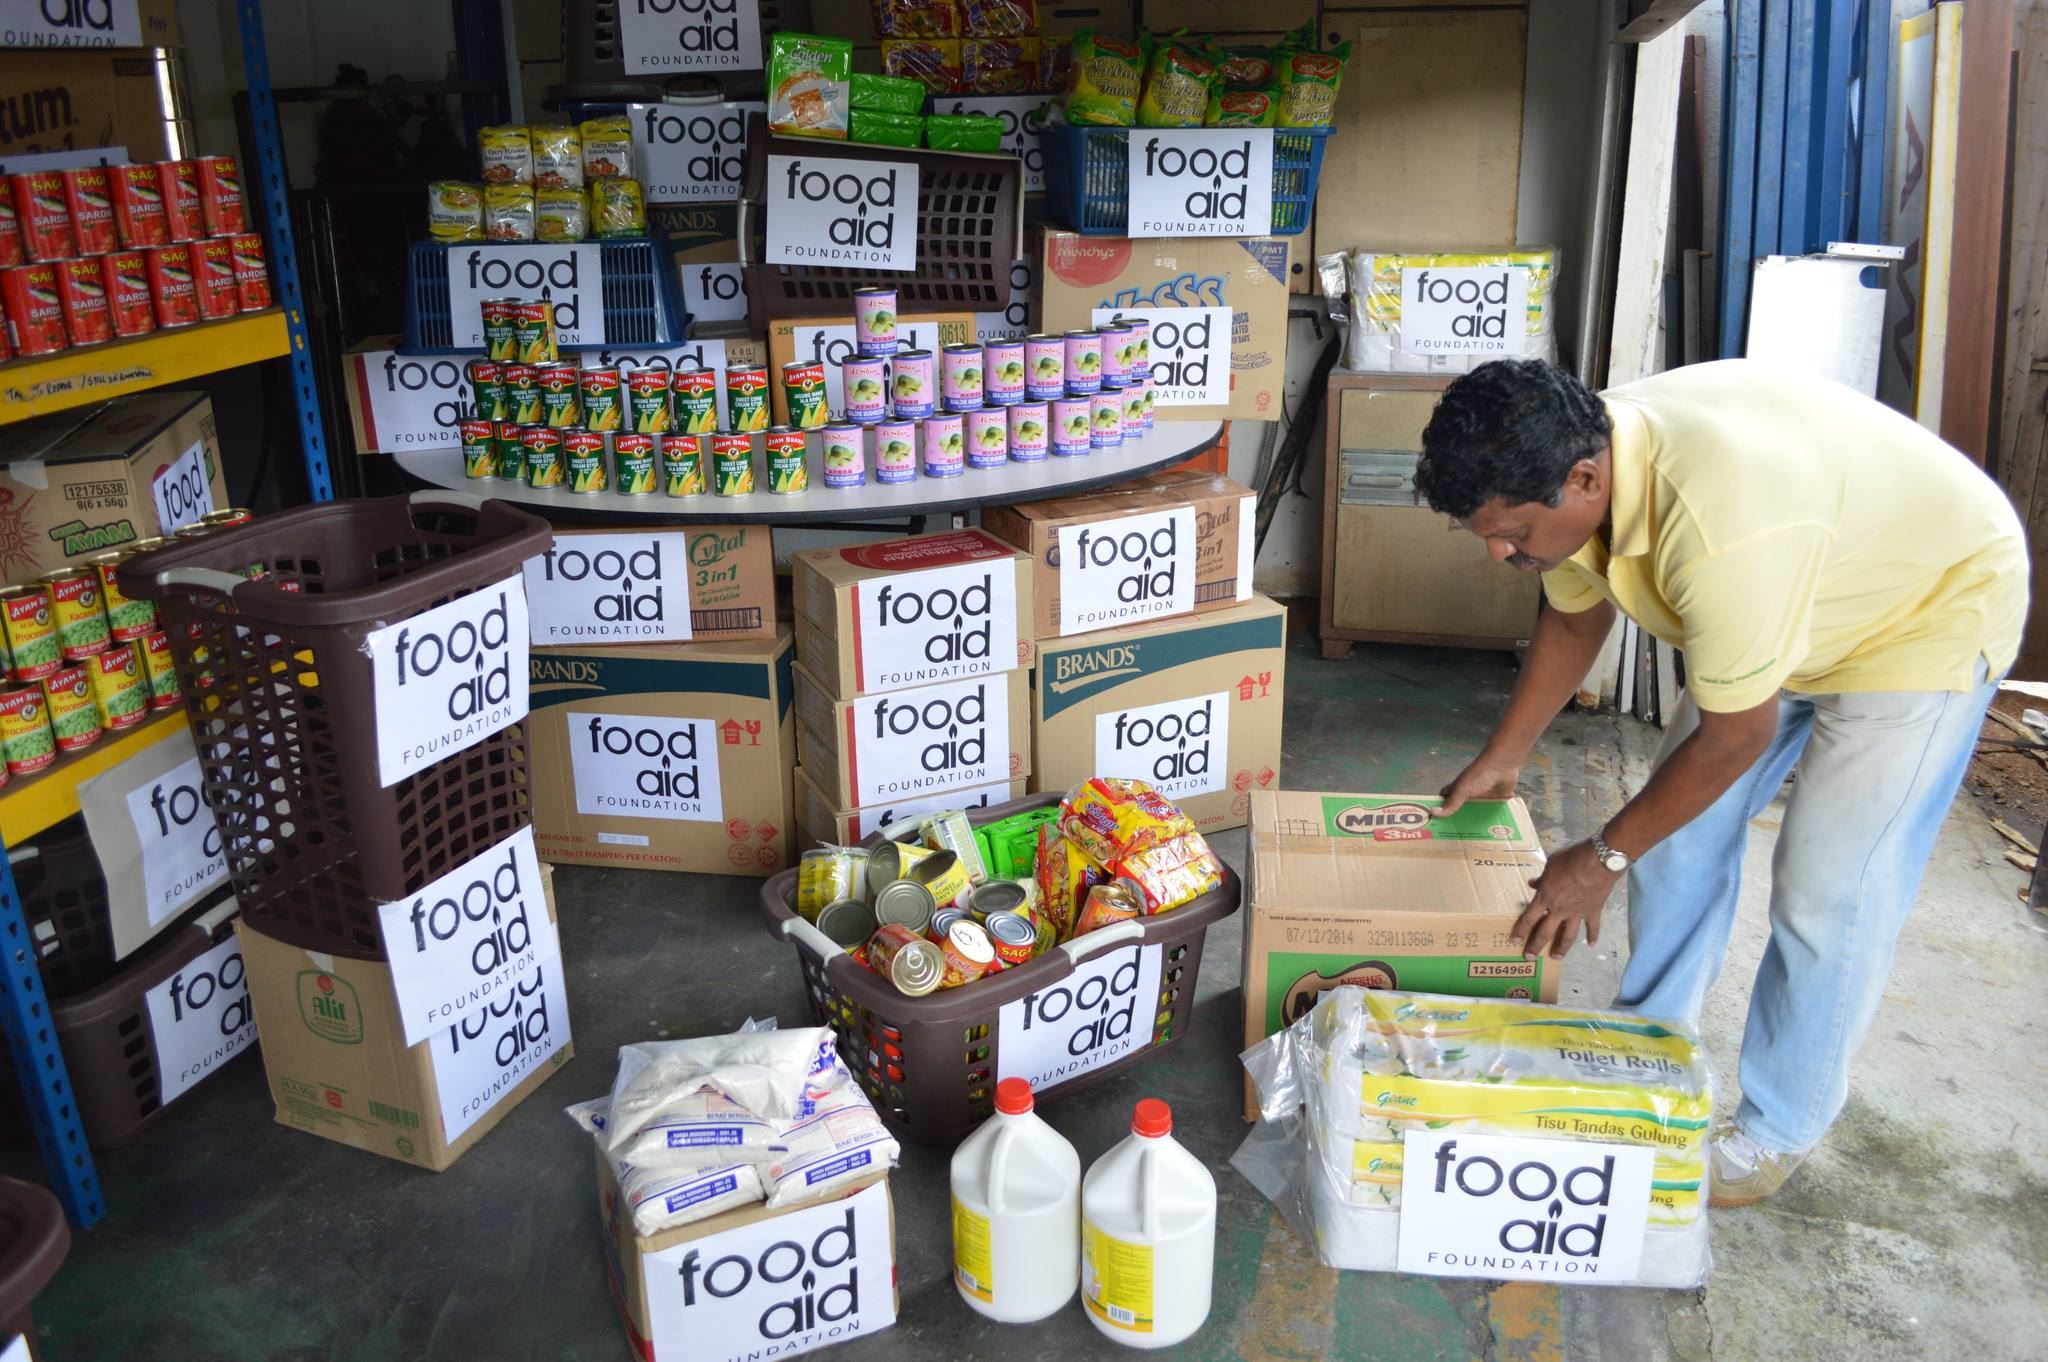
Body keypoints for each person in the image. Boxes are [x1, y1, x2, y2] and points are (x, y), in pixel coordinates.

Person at [1414, 358, 2027, 1205]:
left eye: (1509, 532)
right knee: (1667, 842)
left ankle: (1779, 1129)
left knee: (1829, 891)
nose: (1497, 551)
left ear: (1584, 479)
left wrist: (1597, 858)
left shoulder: (1722, 526)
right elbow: (1576, 607)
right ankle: (1650, 1049)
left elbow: (1739, 736)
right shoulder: (1574, 458)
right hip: (1800, 588)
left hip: (1921, 613)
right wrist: (1506, 753)